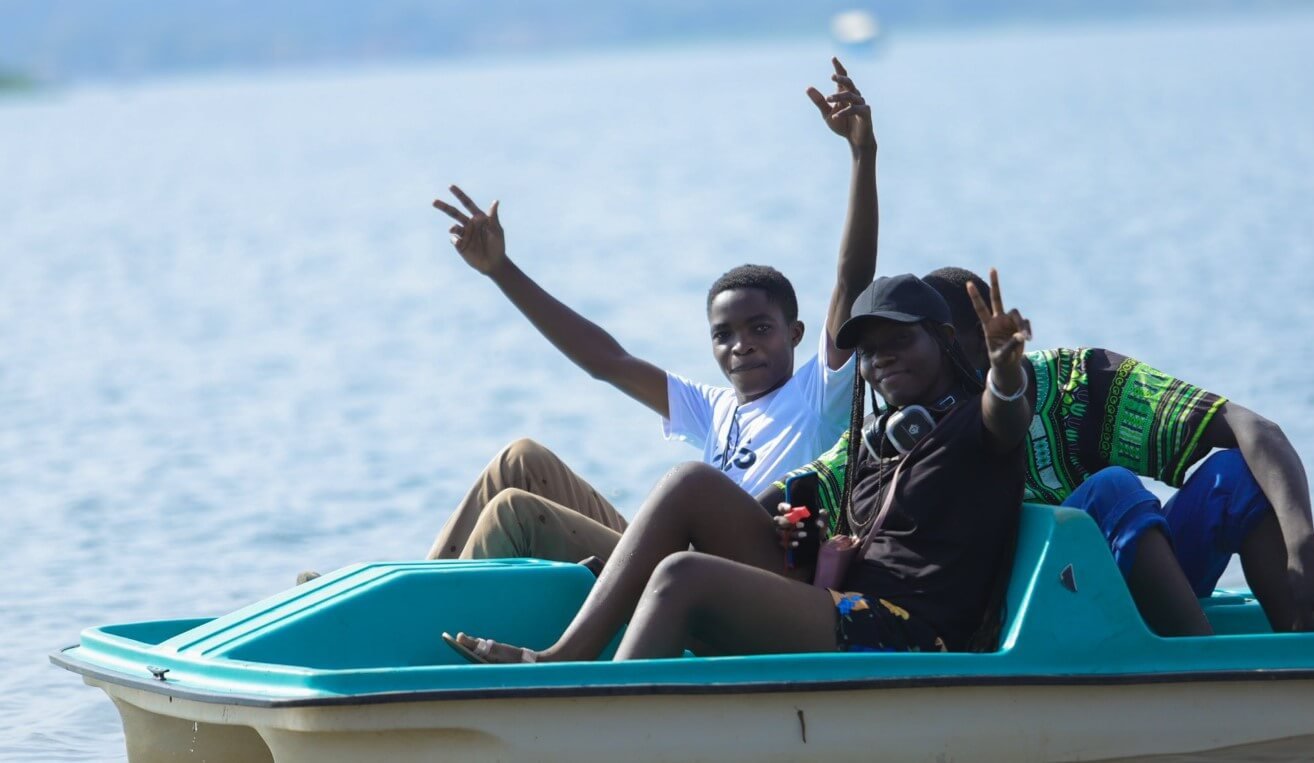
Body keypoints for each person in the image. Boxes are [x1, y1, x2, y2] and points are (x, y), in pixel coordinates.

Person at [421, 59, 879, 565]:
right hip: (661, 556)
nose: (741, 345)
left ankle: (420, 620)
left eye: (760, 329)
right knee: (519, 461)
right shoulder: (715, 409)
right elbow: (607, 361)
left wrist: (862, 154)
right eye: (723, 335)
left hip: (719, 580)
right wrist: (500, 269)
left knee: (517, 512)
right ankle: (416, 584)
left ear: (795, 334)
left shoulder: (818, 396)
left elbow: (850, 280)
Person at [444, 271, 1031, 662]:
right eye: (871, 350)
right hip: (843, 603)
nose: (881, 360)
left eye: (898, 342)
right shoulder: (876, 446)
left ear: (945, 339)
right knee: (690, 485)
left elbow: (1005, 413)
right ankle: (562, 663)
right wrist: (803, 540)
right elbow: (608, 361)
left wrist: (1006, 369)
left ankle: (588, 702)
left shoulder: (974, 426)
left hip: (907, 634)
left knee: (681, 574)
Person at [918, 266, 1314, 634]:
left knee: (1235, 476)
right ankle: (1201, 672)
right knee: (1111, 490)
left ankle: (1295, 654)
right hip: (1025, 616)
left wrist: (1301, 542)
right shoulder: (913, 425)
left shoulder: (1077, 380)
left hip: (1125, 584)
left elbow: (1256, 428)